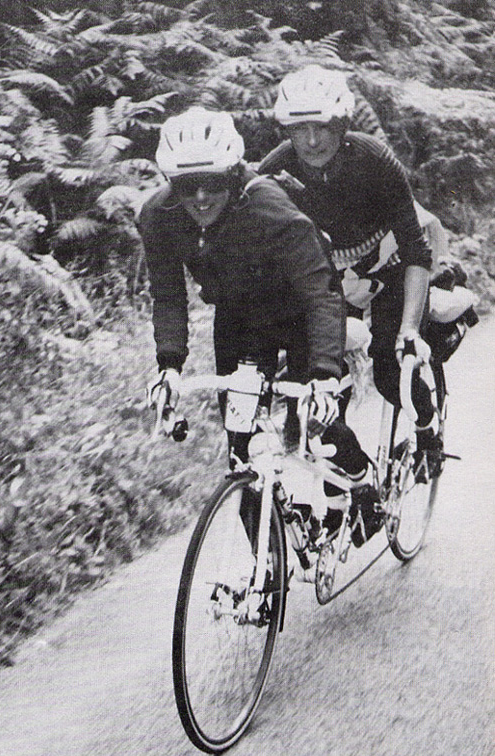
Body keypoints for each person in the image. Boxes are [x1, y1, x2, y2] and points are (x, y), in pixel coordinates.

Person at [141, 106, 369, 534]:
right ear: (171, 183)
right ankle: (265, 570)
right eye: (187, 186)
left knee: (316, 426)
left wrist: (323, 374)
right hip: (240, 321)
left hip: (302, 313)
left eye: (212, 183)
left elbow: (320, 293)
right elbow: (168, 296)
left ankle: (362, 482)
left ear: (232, 174)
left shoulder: (267, 206)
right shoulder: (158, 215)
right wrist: (169, 366)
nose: (200, 197)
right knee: (241, 454)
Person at [259, 65, 441, 461]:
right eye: (299, 129)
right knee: (316, 397)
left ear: (342, 124)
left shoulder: (374, 159)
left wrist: (410, 330)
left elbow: (415, 250)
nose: (311, 141)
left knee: (391, 371)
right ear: (287, 131)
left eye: (322, 127)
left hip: (390, 267)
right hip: (331, 281)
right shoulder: (275, 168)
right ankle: (351, 484)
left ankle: (428, 426)